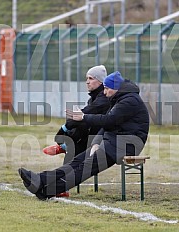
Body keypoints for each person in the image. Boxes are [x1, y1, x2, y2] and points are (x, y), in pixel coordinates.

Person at [18, 71, 150, 200]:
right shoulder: (119, 98)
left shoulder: (129, 101)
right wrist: (96, 143)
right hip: (113, 142)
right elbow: (108, 125)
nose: (104, 92)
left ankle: (46, 191)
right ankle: (40, 179)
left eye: (107, 89)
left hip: (126, 145)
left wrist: (84, 117)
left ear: (115, 88)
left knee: (84, 167)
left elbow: (109, 120)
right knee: (77, 162)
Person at [43, 65, 110, 197]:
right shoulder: (94, 98)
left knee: (76, 138)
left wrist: (64, 128)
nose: (87, 81)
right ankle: (61, 185)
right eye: (87, 78)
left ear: (100, 81)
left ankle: (64, 148)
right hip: (92, 136)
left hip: (104, 139)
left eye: (91, 78)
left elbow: (83, 115)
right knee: (75, 143)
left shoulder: (104, 98)